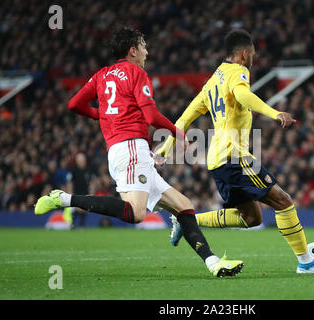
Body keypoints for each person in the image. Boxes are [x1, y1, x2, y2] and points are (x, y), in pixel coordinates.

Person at [34, 27, 244, 278]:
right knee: (135, 213)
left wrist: (100, 114)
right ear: (132, 50)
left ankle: (213, 264)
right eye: (143, 45)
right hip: (132, 147)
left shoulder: (101, 75)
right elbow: (151, 116)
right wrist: (177, 132)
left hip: (121, 149)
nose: (147, 50)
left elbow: (73, 104)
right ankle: (63, 199)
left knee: (184, 207)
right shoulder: (136, 73)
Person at [157, 29, 314, 274]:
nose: (253, 59)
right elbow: (243, 95)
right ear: (244, 54)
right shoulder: (238, 72)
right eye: (252, 55)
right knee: (283, 202)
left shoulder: (211, 83)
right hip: (234, 156)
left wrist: (166, 149)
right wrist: (276, 113)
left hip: (217, 160)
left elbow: (182, 119)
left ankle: (187, 220)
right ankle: (307, 263)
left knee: (252, 218)